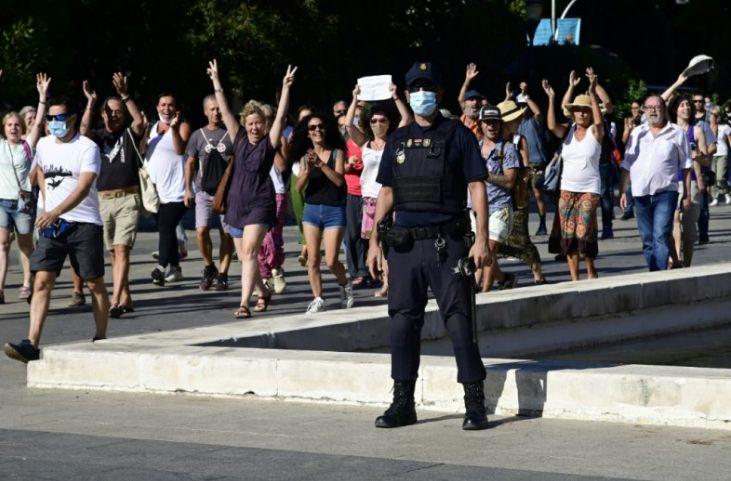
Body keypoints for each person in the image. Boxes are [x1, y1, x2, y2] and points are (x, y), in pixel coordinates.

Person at [366, 62, 491, 431]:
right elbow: (386, 192)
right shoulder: (398, 140)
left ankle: (475, 403)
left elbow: (477, 186)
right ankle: (402, 402)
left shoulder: (458, 135)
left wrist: (482, 239)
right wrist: (374, 240)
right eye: (416, 87)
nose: (423, 93)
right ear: (406, 95)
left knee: (459, 322)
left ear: (438, 92)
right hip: (404, 247)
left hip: (447, 245)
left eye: (428, 87)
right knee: (402, 323)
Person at [4, 96, 109, 363]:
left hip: (84, 224)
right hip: (53, 224)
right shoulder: (43, 144)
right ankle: (31, 343)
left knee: (94, 282)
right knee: (41, 280)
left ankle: (101, 337)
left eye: (59, 118)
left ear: (72, 119)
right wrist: (43, 201)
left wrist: (53, 211)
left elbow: (84, 187)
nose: (54, 123)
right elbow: (39, 169)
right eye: (50, 118)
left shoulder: (87, 147)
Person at [207, 59, 296, 318]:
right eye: (251, 123)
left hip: (260, 202)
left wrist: (286, 87)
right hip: (236, 204)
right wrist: (216, 81)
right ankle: (263, 292)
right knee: (246, 257)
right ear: (245, 124)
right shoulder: (239, 139)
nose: (254, 127)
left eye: (258, 123)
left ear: (264, 125)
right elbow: (224, 111)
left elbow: (280, 116)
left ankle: (243, 303)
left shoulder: (268, 143)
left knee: (248, 252)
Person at [80, 72, 146, 317]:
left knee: (121, 250)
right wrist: (90, 102)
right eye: (110, 111)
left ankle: (116, 299)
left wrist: (125, 95)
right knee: (113, 253)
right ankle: (126, 295)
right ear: (103, 114)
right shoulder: (96, 138)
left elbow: (139, 121)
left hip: (128, 198)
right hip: (102, 200)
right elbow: (83, 129)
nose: (115, 114)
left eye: (119, 111)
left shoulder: (129, 133)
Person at [345, 82, 412, 297]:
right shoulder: (364, 143)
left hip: (391, 197)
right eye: (373, 120)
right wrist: (355, 98)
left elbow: (407, 120)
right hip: (370, 199)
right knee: (379, 244)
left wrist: (396, 96)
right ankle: (386, 280)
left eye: (382, 120)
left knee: (389, 241)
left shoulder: (393, 141)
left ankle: (390, 281)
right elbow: (348, 125)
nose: (377, 123)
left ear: (388, 122)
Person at [620, 95, 692, 271]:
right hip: (640, 193)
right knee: (647, 239)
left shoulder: (677, 133)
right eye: (648, 107)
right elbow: (626, 164)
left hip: (666, 192)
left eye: (656, 107)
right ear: (644, 110)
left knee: (660, 235)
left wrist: (687, 195)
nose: (652, 110)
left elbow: (686, 166)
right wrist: (623, 191)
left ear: (664, 109)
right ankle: (655, 273)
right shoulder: (637, 133)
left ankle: (657, 276)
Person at [544, 70, 604, 281]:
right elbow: (551, 126)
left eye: (585, 110)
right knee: (568, 235)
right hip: (567, 189)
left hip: (589, 189)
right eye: (577, 110)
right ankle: (575, 278)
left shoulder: (595, 133)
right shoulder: (568, 131)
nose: (581, 114)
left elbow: (598, 121)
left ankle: (590, 269)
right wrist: (551, 98)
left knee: (582, 231)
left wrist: (593, 94)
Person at [292, 113, 354, 313]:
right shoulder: (305, 157)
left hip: (334, 210)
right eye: (312, 128)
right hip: (311, 210)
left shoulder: (337, 153)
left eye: (320, 126)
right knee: (312, 259)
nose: (317, 130)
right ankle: (318, 298)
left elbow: (338, 181)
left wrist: (320, 164)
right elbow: (298, 187)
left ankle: (345, 284)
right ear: (308, 134)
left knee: (331, 260)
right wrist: (308, 169)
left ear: (326, 130)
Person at [0, 72, 49, 303]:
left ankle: (28, 283)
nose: (13, 128)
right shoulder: (0, 145)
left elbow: (38, 122)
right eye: (9, 125)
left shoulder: (27, 146)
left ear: (21, 128)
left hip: (22, 203)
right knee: (1, 244)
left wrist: (42, 97)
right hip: (2, 202)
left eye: (16, 125)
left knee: (25, 245)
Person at [184, 94, 234, 291]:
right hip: (203, 192)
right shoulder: (197, 135)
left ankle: (223, 273)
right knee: (201, 230)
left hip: (226, 193)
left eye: (219, 108)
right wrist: (188, 188)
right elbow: (190, 162)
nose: (216, 112)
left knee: (226, 234)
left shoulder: (231, 133)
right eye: (212, 109)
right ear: (205, 112)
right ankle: (209, 266)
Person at [494, 99, 546, 285]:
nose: (518, 122)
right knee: (494, 241)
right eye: (515, 119)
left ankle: (537, 272)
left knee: (522, 238)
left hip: (516, 193)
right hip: (496, 195)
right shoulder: (494, 139)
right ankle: (497, 277)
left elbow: (525, 165)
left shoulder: (518, 140)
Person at [146, 92, 191, 285]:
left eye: (170, 105)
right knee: (168, 229)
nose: (166, 109)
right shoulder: (152, 128)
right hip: (155, 192)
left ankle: (161, 267)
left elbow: (180, 150)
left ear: (176, 108)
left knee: (166, 227)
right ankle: (176, 268)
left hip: (178, 190)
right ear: (157, 107)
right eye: (163, 105)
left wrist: (173, 129)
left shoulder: (183, 126)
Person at [475, 105, 519, 291]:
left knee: (490, 247)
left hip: (500, 206)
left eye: (495, 122)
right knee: (481, 249)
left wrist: (486, 175)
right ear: (481, 125)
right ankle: (503, 277)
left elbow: (510, 181)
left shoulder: (507, 149)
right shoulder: (474, 148)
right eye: (487, 122)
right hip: (476, 206)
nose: (491, 126)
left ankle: (484, 290)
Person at [669, 95, 709, 267]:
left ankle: (687, 264)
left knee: (689, 228)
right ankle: (676, 258)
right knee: (675, 217)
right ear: (675, 109)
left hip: (691, 181)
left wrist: (697, 156)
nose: (686, 108)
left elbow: (706, 160)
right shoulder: (668, 130)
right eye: (682, 105)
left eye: (688, 105)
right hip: (671, 180)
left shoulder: (697, 131)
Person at [255, 102, 288, 294]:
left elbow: (283, 166)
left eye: (267, 120)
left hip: (276, 191)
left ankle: (275, 268)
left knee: (273, 236)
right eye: (260, 120)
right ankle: (265, 275)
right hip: (256, 193)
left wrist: (270, 146)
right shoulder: (250, 139)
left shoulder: (278, 140)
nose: (262, 125)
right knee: (258, 238)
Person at [511, 81, 550, 236]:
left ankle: (542, 223)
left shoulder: (533, 122)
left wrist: (525, 96)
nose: (522, 108)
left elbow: (538, 112)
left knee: (538, 194)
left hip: (536, 163)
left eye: (523, 106)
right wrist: (511, 98)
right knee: (521, 198)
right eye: (519, 106)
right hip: (520, 165)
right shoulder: (515, 124)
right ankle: (523, 229)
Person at [290, 105, 313, 267]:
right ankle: (307, 242)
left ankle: (306, 248)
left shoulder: (319, 134)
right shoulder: (293, 135)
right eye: (303, 119)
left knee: (309, 215)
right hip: (297, 175)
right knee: (299, 215)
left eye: (309, 118)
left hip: (314, 177)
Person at [620, 101, 643, 220]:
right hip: (630, 155)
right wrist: (628, 129)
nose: (634, 110)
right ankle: (628, 210)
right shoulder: (628, 120)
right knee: (629, 186)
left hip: (643, 156)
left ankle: (640, 209)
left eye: (636, 108)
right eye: (632, 108)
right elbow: (623, 140)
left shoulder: (645, 120)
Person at [709, 106, 731, 205]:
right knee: (712, 178)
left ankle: (726, 193)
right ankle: (715, 198)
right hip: (711, 154)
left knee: (720, 177)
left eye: (716, 115)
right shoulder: (706, 128)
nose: (714, 117)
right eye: (712, 115)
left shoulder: (725, 127)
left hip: (722, 153)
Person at [457, 63, 484, 139]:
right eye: (471, 99)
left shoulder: (484, 123)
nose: (475, 102)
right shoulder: (459, 121)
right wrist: (467, 80)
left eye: (478, 100)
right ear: (464, 103)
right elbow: (460, 99)